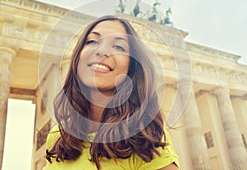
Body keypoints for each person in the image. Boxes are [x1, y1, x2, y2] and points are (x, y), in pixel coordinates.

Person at [43, 15, 179, 170]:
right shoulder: (59, 136)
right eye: (92, 41)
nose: (101, 51)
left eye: (118, 47)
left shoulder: (145, 137)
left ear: (131, 68)